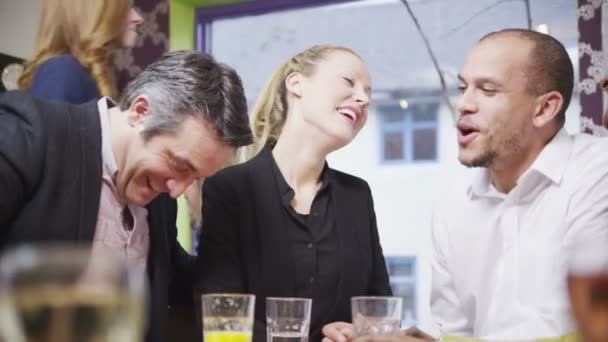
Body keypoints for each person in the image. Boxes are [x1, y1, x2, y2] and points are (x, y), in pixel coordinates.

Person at [323, 28, 608, 342]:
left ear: (544, 109)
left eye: (488, 90)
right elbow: (459, 336)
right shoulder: (453, 202)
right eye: (463, 87)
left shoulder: (598, 173)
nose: (464, 104)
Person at [0, 50, 252, 342]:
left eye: (194, 178)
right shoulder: (29, 133)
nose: (178, 190)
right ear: (140, 112)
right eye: (180, 165)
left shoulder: (159, 196)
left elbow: (174, 278)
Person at [196, 44, 392, 342]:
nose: (363, 98)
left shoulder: (357, 196)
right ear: (297, 84)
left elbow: (378, 310)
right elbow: (223, 316)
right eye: (348, 82)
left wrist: (358, 334)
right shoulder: (229, 189)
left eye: (368, 91)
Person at [18, 0, 144, 103]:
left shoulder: (85, 74)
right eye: (126, 7)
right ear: (96, 13)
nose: (139, 18)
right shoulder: (62, 72)